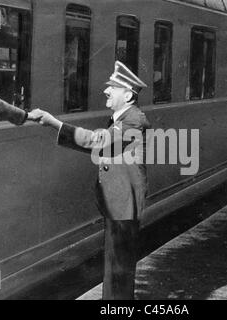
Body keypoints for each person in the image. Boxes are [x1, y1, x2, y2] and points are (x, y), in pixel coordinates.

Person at [33, 61, 150, 300]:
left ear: (128, 95)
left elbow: (99, 142)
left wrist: (55, 123)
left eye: (113, 87)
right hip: (117, 201)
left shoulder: (133, 120)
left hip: (123, 204)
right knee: (114, 266)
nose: (106, 90)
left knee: (119, 269)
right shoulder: (121, 117)